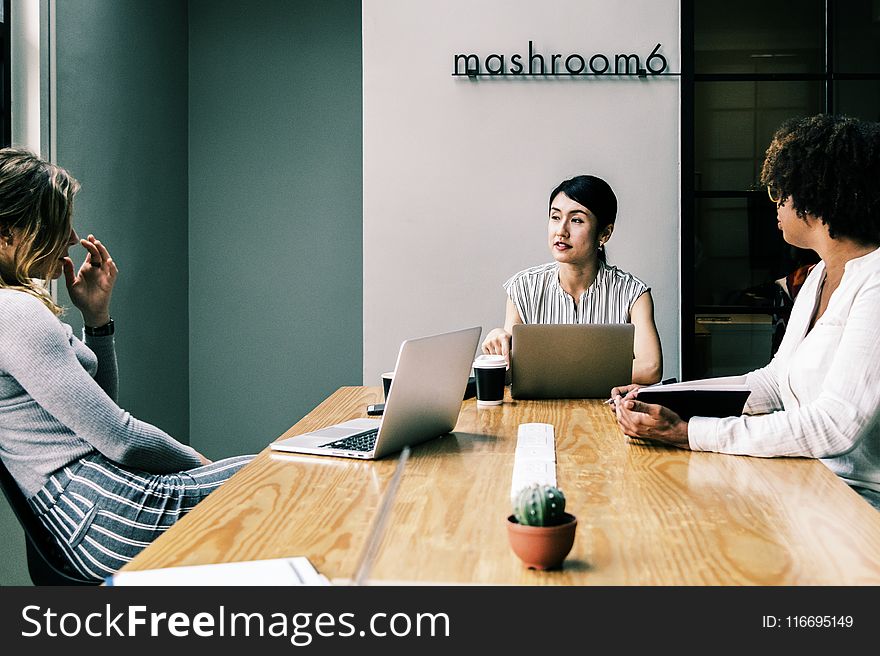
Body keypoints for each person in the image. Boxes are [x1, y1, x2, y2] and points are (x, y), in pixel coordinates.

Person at [0, 148, 253, 580]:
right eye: (57, 224)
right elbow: (120, 437)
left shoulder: (15, 309)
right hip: (104, 514)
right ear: (6, 234)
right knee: (283, 477)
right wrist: (202, 464)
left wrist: (96, 318)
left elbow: (96, 413)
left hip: (94, 513)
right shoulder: (15, 312)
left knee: (281, 480)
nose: (71, 238)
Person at [613, 114, 880, 510]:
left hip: (855, 506)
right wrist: (661, 396)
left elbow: (835, 427)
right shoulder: (820, 274)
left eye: (780, 191)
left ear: (815, 196)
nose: (775, 203)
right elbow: (772, 383)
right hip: (803, 482)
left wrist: (689, 432)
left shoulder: (874, 284)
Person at [481, 174, 663, 385]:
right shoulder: (523, 288)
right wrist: (497, 344)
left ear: (604, 234)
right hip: (539, 415)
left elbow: (650, 368)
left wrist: (551, 370)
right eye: (555, 217)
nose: (561, 231)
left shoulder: (633, 293)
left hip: (607, 413)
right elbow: (512, 373)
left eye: (576, 220)